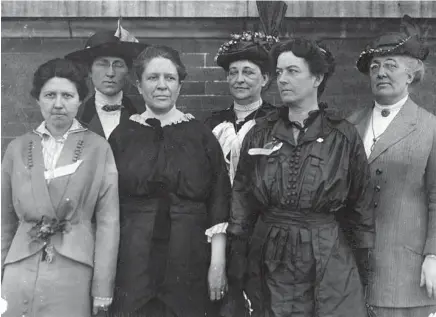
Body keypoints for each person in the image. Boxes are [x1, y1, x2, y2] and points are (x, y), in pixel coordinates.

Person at [226, 38, 375, 317]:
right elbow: (242, 199)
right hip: (269, 253)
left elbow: (361, 205)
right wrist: (237, 259)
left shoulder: (342, 135)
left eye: (292, 71)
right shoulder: (259, 133)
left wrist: (362, 263)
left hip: (326, 253)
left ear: (317, 77)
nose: (282, 79)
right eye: (279, 72)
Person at [107, 45, 231, 317]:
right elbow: (106, 207)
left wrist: (217, 264)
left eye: (170, 78)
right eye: (152, 78)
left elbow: (219, 200)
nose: (161, 85)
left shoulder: (201, 136)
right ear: (138, 86)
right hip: (133, 259)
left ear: (179, 86)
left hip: (188, 257)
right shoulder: (122, 136)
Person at [1, 58, 120, 317]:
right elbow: (4, 220)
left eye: (67, 95)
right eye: (49, 95)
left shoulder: (98, 148)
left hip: (73, 267)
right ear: (38, 100)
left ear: (79, 100)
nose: (58, 104)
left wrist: (102, 287)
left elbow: (108, 223)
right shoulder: (17, 148)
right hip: (18, 269)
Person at [348, 15, 436, 317]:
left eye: (390, 65)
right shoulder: (350, 124)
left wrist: (433, 256)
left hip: (407, 268)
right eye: (375, 67)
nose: (380, 73)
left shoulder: (429, 127)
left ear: (411, 75)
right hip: (353, 267)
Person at [205, 31, 277, 184]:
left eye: (248, 73)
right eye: (233, 73)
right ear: (227, 78)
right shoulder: (213, 124)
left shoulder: (276, 122)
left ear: (264, 79)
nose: (239, 80)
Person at [65, 25, 147, 139]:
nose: (110, 73)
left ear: (127, 71)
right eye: (102, 64)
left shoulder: (144, 114)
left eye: (118, 65)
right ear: (89, 71)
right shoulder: (74, 117)